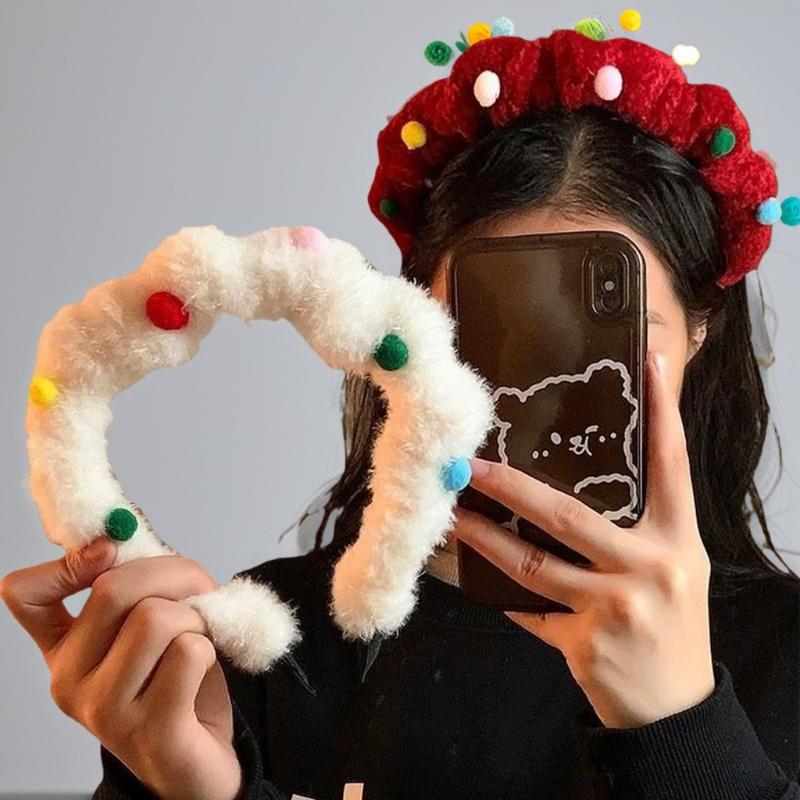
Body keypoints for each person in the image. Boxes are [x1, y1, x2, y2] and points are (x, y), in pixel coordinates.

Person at [3, 26, 800, 800]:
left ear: (700, 333)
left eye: (603, 340)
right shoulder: (264, 648)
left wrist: (682, 732)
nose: (540, 390)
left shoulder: (786, 650)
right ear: (413, 331)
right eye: (492, 330)